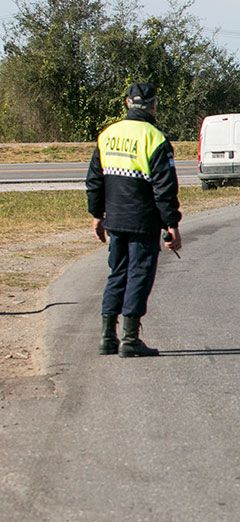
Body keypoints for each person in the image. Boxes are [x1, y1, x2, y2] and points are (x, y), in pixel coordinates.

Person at [86, 83, 182, 358]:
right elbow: (164, 188)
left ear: (127, 103)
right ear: (153, 106)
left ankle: (107, 337)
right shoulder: (156, 139)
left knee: (117, 273)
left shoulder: (107, 135)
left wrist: (97, 215)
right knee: (139, 275)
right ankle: (129, 339)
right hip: (143, 221)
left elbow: (94, 181)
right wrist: (172, 224)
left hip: (115, 219)